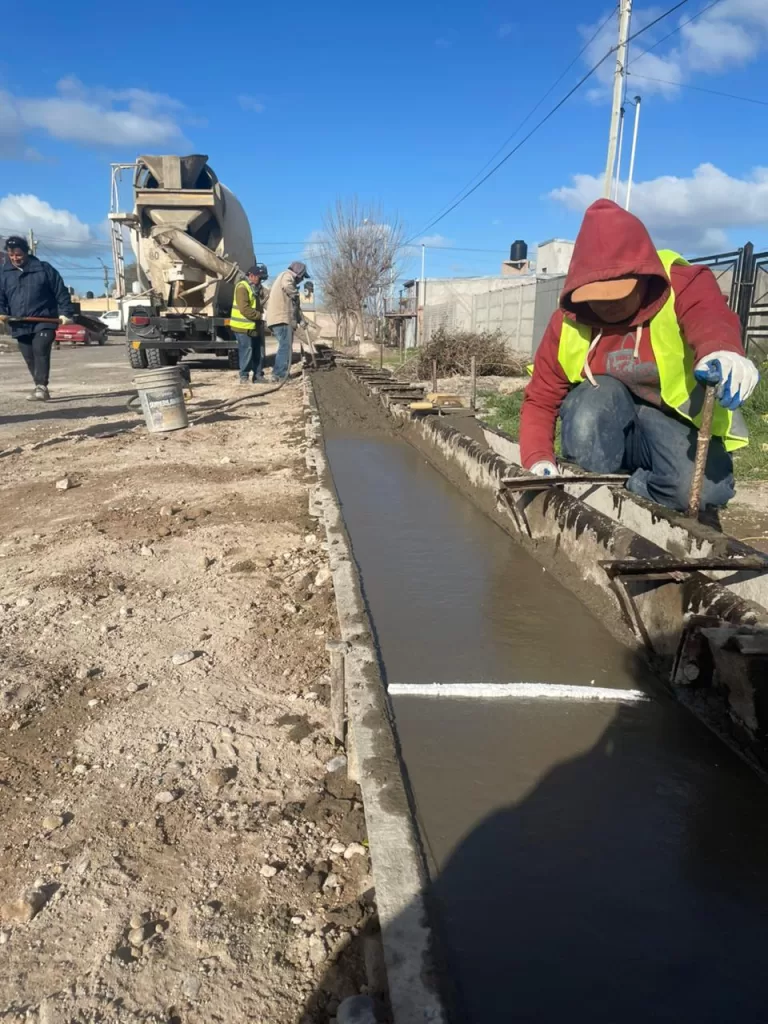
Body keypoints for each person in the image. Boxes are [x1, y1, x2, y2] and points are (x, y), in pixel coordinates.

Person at [520, 199, 759, 513]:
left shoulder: (682, 283)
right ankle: (596, 494)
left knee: (700, 494)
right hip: (603, 416)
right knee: (594, 399)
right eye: (596, 299)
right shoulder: (568, 322)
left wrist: (721, 349)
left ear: (645, 277)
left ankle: (630, 485)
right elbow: (541, 397)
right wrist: (538, 459)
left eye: (617, 295)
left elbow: (709, 316)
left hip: (671, 420)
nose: (607, 307)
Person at [0, 235, 76, 401]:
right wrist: (2, 312)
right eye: (11, 255)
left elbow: (61, 292)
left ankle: (41, 386)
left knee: (40, 349)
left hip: (44, 320)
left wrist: (66, 313)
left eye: (18, 255)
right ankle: (39, 386)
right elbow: (1, 297)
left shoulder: (44, 269)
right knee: (29, 356)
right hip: (19, 322)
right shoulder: (4, 273)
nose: (15, 258)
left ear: (26, 252)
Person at [265, 260, 310, 380]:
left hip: (280, 319)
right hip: (281, 318)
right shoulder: (286, 276)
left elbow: (295, 307)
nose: (302, 280)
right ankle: (280, 374)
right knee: (285, 346)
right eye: (302, 277)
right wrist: (296, 294)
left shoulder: (288, 281)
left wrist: (301, 321)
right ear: (298, 274)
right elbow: (287, 286)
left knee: (285, 346)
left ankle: (279, 373)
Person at [229, 263, 269, 383]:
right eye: (259, 278)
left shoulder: (254, 288)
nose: (260, 281)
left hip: (253, 325)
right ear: (251, 276)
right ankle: (244, 376)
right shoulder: (242, 287)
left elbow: (256, 305)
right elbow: (244, 309)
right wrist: (260, 316)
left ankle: (258, 376)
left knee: (258, 351)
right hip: (242, 327)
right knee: (247, 350)